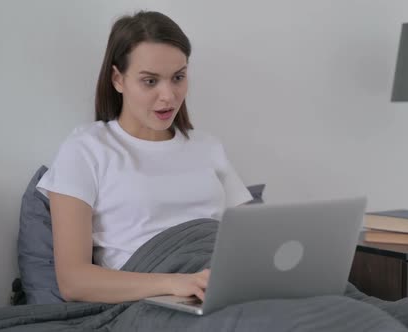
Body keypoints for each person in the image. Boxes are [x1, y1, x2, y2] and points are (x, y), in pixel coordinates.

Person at [36, 11, 253, 304]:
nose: (169, 96)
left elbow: (254, 243)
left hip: (221, 289)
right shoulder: (86, 149)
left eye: (178, 77)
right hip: (153, 300)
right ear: (118, 79)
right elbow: (74, 281)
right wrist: (175, 283)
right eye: (150, 81)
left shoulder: (208, 147)